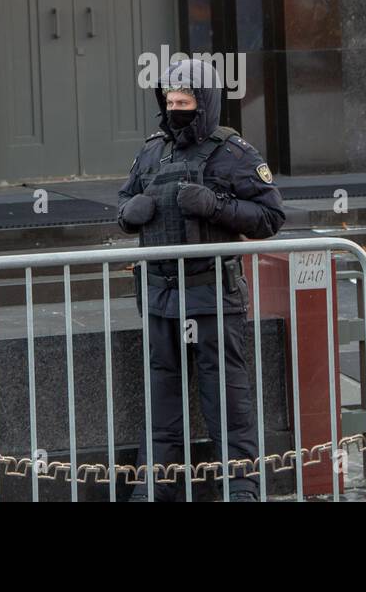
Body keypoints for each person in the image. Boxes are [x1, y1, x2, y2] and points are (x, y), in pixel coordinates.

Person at [116, 56, 285, 501]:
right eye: (169, 100)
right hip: (159, 296)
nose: (175, 109)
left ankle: (241, 489)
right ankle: (155, 490)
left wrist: (216, 206)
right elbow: (125, 202)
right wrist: (128, 216)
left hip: (212, 295)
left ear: (205, 102)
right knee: (161, 402)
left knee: (226, 400)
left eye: (185, 101)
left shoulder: (234, 154)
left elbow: (270, 216)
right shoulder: (153, 150)